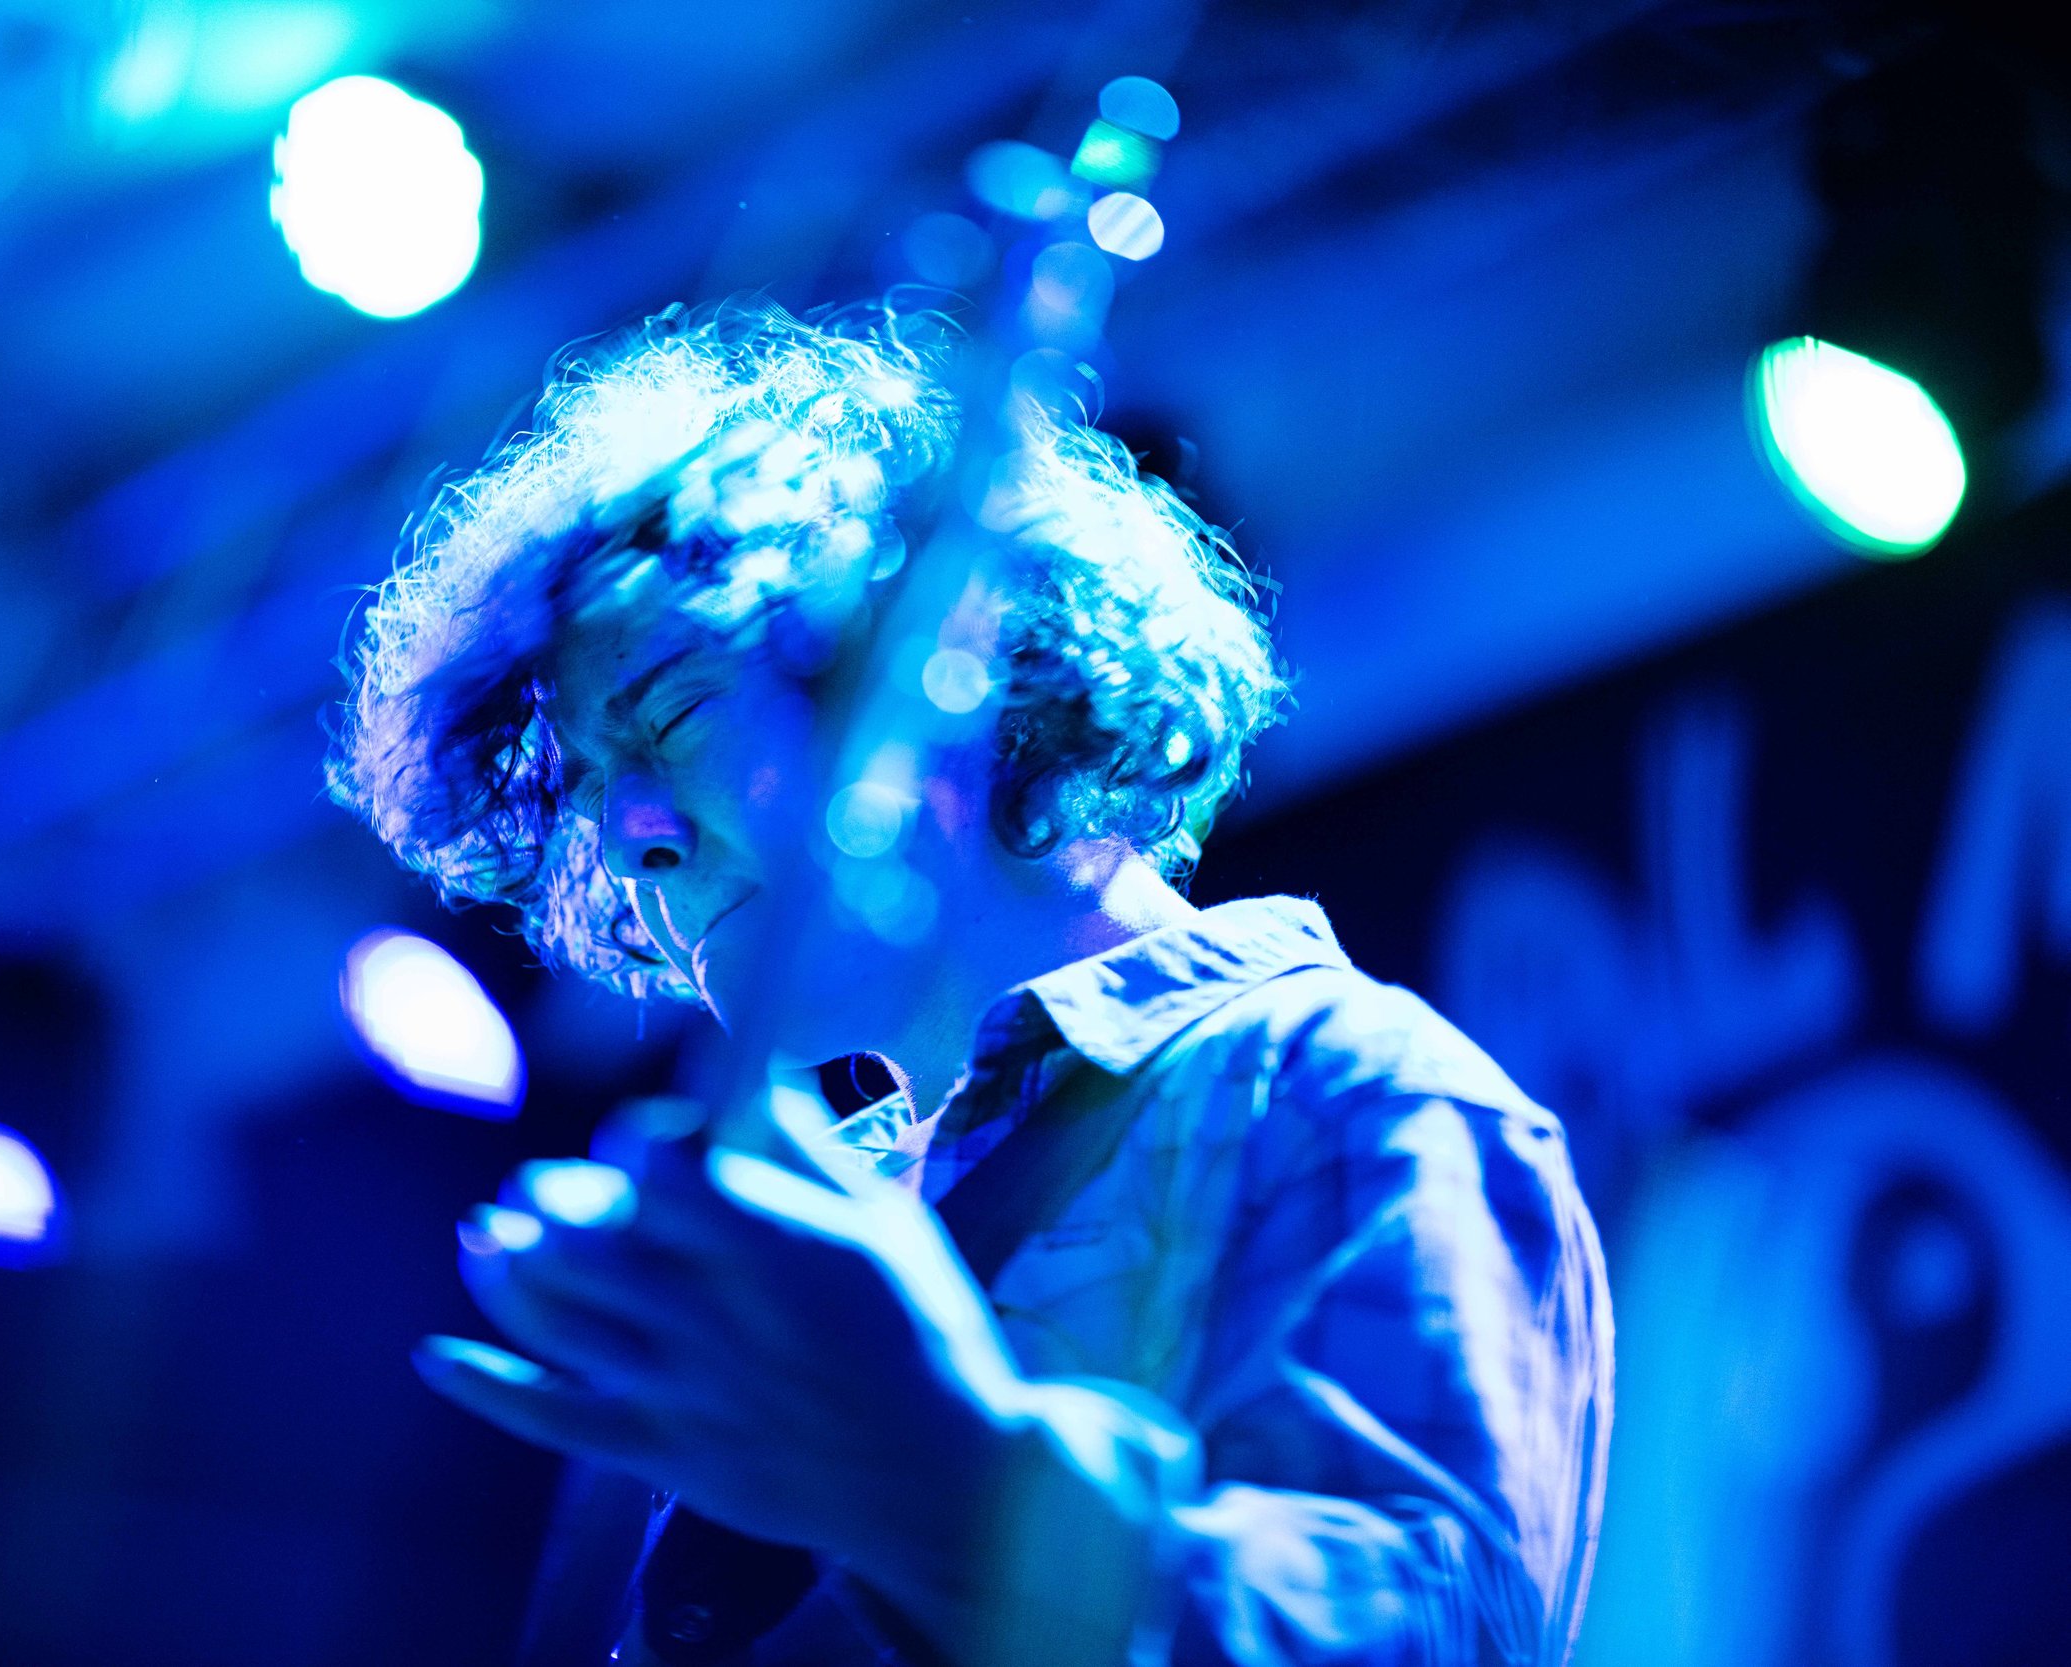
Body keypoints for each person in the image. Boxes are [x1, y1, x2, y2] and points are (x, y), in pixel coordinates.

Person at [332, 299, 1612, 1666]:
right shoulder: (818, 1219)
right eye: (594, 788)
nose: (632, 833)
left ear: (953, 662)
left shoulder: (1337, 1084)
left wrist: (945, 1478)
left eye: (680, 717)